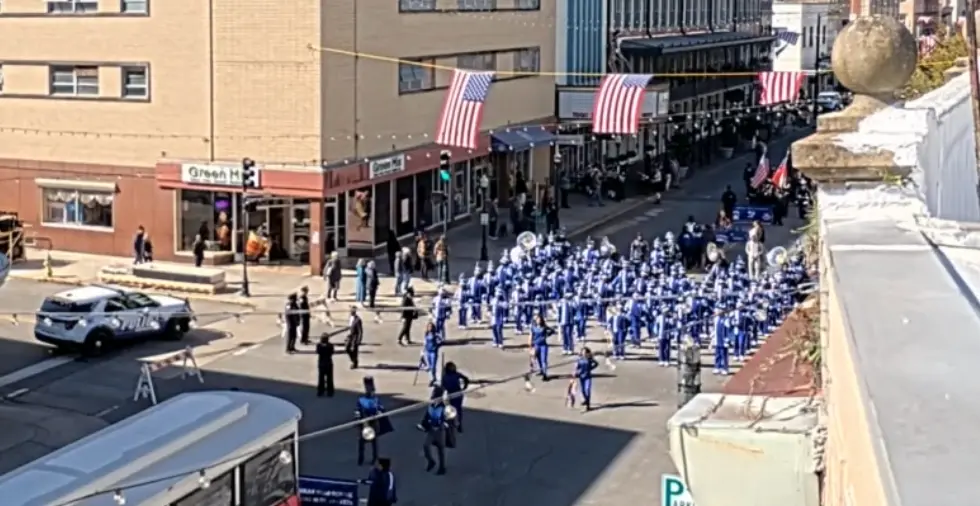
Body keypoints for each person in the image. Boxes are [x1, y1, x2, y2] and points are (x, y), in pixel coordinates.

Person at [418, 386, 449, 475]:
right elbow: (427, 415)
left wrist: (444, 423)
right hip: (432, 429)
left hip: (440, 430)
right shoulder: (431, 405)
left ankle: (442, 467)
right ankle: (431, 461)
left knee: (440, 449)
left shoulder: (444, 406)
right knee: (426, 446)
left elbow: (447, 416)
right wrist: (423, 424)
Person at [356, 376, 383, 466]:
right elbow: (358, 410)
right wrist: (358, 417)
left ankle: (375, 458)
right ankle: (361, 457)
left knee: (374, 442)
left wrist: (379, 413)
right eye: (367, 387)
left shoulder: (375, 400)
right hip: (365, 423)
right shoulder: (361, 400)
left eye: (369, 387)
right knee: (361, 441)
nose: (368, 389)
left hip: (373, 422)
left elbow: (380, 408)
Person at [441, 362, 471, 432]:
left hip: (451, 395)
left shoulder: (445, 377)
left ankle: (450, 423)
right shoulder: (457, 374)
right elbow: (466, 379)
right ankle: (459, 424)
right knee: (458, 409)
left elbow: (443, 387)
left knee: (449, 408)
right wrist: (464, 387)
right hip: (458, 394)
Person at [529, 313, 554, 381]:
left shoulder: (544, 327)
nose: (538, 321)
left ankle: (545, 374)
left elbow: (552, 330)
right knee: (539, 360)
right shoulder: (533, 327)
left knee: (544, 360)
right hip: (536, 345)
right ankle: (541, 370)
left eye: (539, 320)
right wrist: (531, 345)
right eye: (537, 319)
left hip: (543, 345)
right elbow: (531, 336)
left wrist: (547, 335)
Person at [573, 347, 599, 411]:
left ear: (587, 353)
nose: (583, 353)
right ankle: (586, 400)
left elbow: (596, 364)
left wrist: (590, 368)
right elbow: (577, 367)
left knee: (587, 390)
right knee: (583, 391)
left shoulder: (589, 359)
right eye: (583, 352)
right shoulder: (579, 359)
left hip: (588, 377)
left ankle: (588, 405)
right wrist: (575, 372)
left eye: (585, 352)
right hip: (581, 377)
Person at [422, 321, 442, 386]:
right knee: (429, 366)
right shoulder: (426, 334)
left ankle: (433, 378)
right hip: (428, 351)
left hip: (433, 352)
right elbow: (425, 343)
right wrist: (422, 351)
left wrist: (437, 346)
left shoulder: (435, 334)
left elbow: (440, 340)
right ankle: (432, 378)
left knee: (433, 366)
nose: (430, 328)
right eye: (429, 327)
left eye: (431, 327)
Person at [316, 332, 335, 397]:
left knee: (321, 378)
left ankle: (321, 391)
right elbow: (332, 352)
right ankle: (330, 391)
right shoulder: (330, 345)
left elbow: (318, 352)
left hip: (321, 363)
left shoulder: (319, 345)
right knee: (329, 378)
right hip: (329, 363)